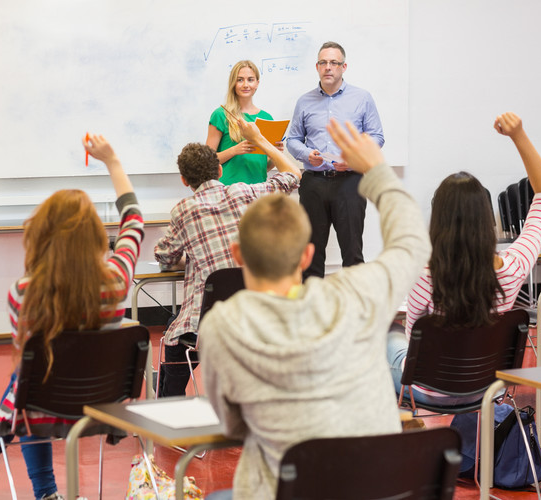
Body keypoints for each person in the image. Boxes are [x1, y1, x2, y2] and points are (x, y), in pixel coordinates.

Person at [200, 119, 430, 500]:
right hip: (377, 490)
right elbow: (411, 244)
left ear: (238, 255)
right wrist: (377, 172)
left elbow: (233, 425)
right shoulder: (358, 295)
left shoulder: (223, 325)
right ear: (309, 254)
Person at [0, 135, 143, 500]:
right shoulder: (118, 281)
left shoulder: (23, 292)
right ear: (95, 236)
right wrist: (113, 162)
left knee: (29, 375)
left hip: (40, 411)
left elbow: (28, 368)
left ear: (41, 235)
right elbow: (134, 222)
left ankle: (25, 474)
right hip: (105, 410)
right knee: (31, 374)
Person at [387, 112, 541, 406]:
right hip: (490, 388)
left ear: (437, 221)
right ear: (487, 219)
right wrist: (519, 135)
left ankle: (409, 442)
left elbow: (415, 341)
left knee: (389, 337)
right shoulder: (514, 267)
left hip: (427, 388)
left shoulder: (424, 275)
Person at [155, 118, 301, 397]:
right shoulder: (246, 192)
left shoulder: (183, 210)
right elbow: (293, 174)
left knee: (176, 338)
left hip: (206, 327)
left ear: (184, 180)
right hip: (253, 318)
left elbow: (164, 256)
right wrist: (259, 140)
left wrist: (190, 260)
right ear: (220, 170)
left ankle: (167, 405)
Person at [287, 41, 384, 279]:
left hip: (351, 182)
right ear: (317, 66)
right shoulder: (304, 101)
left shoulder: (362, 98)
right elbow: (292, 140)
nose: (328, 67)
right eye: (323, 62)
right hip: (313, 184)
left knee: (352, 254)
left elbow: (377, 137)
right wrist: (306, 154)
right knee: (310, 254)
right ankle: (312, 311)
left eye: (334, 63)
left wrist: (353, 159)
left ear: (344, 66)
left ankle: (355, 312)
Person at [206, 60, 283, 185]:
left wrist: (276, 154)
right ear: (233, 83)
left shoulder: (267, 118)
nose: (245, 84)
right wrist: (234, 150)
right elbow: (207, 161)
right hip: (228, 191)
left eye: (250, 80)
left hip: (258, 190)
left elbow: (263, 167)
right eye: (240, 80)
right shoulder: (220, 115)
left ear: (257, 83)